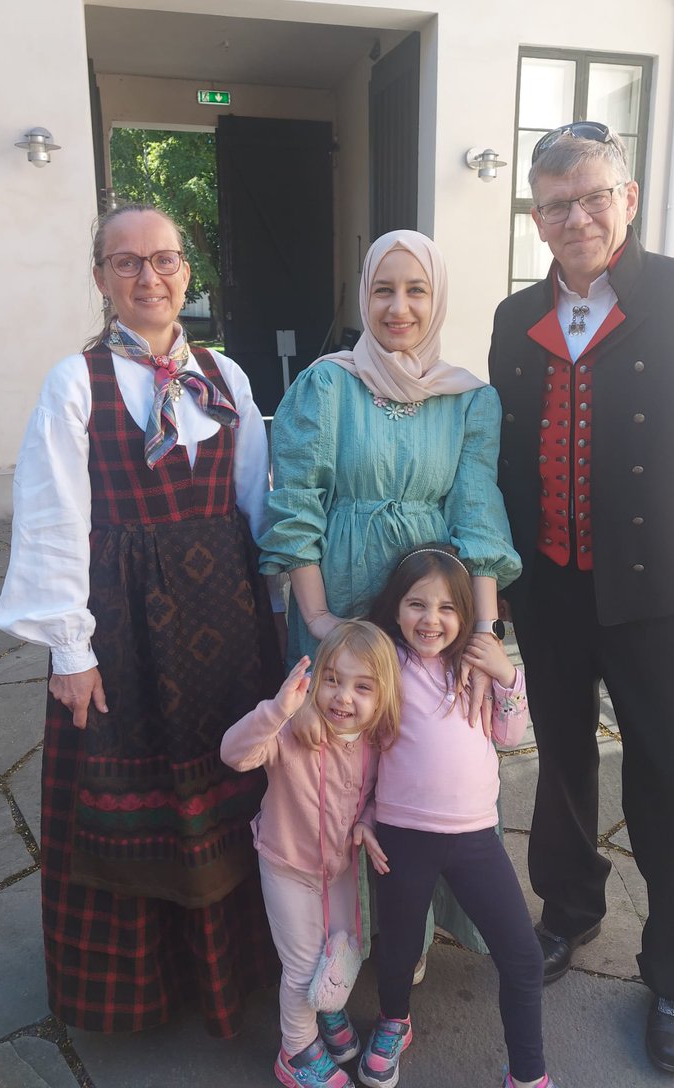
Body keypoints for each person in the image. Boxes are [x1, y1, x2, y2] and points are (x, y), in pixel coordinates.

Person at [488, 123, 674, 1075]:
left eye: (594, 196)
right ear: (537, 217)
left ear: (630, 198)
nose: (578, 217)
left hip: (661, 594)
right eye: (558, 204)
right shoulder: (510, 315)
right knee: (561, 767)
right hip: (551, 588)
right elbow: (504, 455)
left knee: (668, 783)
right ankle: (567, 913)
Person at [0, 202, 284, 1037]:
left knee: (232, 789)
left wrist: (276, 620)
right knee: (137, 798)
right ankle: (146, 990)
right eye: (126, 263)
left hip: (226, 625)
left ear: (187, 271)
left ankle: (237, 971)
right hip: (123, 629)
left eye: (163, 260)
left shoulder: (226, 377)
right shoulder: (74, 382)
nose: (149, 277)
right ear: (101, 279)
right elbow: (51, 518)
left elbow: (255, 503)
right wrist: (69, 651)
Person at [260, 229, 522, 955]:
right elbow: (298, 504)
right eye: (384, 289)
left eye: (416, 291)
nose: (398, 307)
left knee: (424, 756)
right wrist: (314, 615)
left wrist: (485, 632)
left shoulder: (468, 399)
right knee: (338, 764)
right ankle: (337, 937)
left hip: (429, 610)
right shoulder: (326, 385)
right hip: (339, 596)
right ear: (363, 295)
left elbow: (478, 516)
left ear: (437, 300)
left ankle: (414, 928)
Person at [355, 545, 555, 1088]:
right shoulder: (385, 662)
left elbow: (510, 736)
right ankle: (394, 1021)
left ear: (466, 615)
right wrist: (365, 813)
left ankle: (528, 1075)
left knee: (521, 957)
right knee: (396, 951)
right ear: (396, 609)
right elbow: (363, 746)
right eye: (417, 604)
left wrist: (507, 673)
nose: (431, 619)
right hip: (401, 834)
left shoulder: (477, 668)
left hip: (474, 839)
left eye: (447, 608)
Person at [220, 621, 402, 1088]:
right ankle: (296, 1051)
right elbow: (233, 754)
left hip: (339, 868)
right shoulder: (290, 733)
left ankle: (329, 1012)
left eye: (362, 687)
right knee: (302, 967)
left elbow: (382, 795)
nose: (343, 697)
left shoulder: (376, 744)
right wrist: (278, 712)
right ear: (314, 679)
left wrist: (368, 821)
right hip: (286, 866)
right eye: (333, 680)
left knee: (339, 945)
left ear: (383, 699)